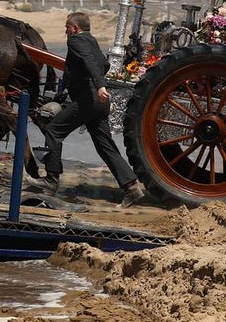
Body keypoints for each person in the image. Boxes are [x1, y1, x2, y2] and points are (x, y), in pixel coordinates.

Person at [36, 12, 147, 208]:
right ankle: (132, 188)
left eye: (67, 27)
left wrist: (99, 86)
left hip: (90, 99)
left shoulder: (76, 41)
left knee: (54, 130)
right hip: (98, 102)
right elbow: (103, 64)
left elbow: (88, 62)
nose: (65, 30)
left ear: (75, 28)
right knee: (104, 144)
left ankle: (51, 180)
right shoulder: (91, 40)